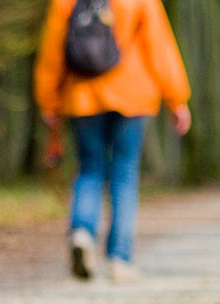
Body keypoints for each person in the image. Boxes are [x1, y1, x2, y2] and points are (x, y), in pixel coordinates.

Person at [35, 0, 191, 282]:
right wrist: (176, 98)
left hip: (83, 96)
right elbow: (159, 46)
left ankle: (82, 232)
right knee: (124, 175)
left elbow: (53, 51)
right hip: (133, 94)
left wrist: (49, 100)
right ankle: (120, 259)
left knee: (89, 170)